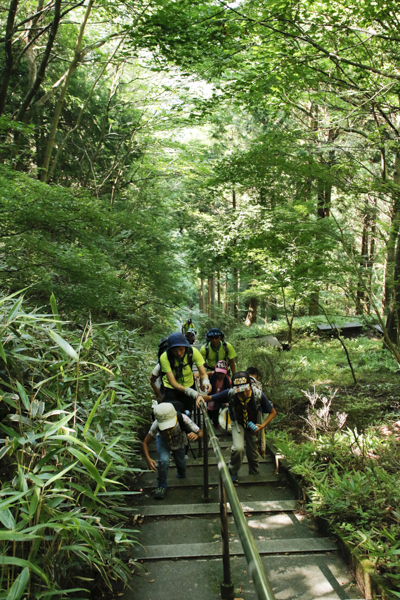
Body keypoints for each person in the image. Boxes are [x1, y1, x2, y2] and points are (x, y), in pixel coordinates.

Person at [197, 370, 276, 482]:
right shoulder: (231, 393)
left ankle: (254, 472)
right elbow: (211, 398)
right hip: (237, 423)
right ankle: (232, 471)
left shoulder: (258, 395)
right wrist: (200, 397)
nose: (243, 393)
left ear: (250, 385)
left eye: (245, 390)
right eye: (240, 391)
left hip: (253, 424)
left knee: (253, 452)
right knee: (238, 448)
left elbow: (273, 412)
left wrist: (262, 425)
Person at [143, 403, 203, 499]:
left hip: (179, 440)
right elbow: (145, 442)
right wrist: (148, 459)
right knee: (164, 461)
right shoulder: (156, 424)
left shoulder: (182, 418)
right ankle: (161, 485)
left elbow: (200, 432)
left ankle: (181, 474)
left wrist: (197, 435)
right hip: (163, 440)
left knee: (181, 462)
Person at [159, 332, 211, 414]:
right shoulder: (165, 357)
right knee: (172, 413)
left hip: (189, 384)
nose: (179, 353)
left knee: (188, 412)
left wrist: (205, 382)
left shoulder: (193, 352)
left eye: (181, 349)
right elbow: (173, 382)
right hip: (170, 389)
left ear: (185, 346)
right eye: (175, 351)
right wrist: (193, 392)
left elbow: (203, 373)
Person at [207, 360, 232, 428]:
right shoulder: (212, 376)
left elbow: (230, 390)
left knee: (225, 411)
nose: (220, 375)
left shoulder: (227, 379)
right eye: (218, 373)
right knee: (212, 412)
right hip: (213, 397)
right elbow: (205, 375)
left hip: (223, 397)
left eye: (222, 373)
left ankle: (222, 425)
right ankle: (215, 424)